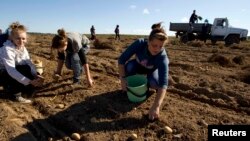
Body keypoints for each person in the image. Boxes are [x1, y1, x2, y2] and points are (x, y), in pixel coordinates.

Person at [118, 22, 169, 120]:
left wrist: (156, 106)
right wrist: (123, 80)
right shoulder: (140, 43)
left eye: (161, 46)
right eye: (154, 45)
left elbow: (164, 84)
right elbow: (121, 60)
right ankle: (131, 84)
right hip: (137, 66)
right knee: (128, 67)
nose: (157, 49)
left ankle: (146, 85)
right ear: (148, 41)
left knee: (155, 83)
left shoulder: (162, 57)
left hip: (151, 70)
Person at [0, 22, 44, 103]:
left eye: (23, 38)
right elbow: (11, 70)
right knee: (22, 69)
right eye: (18, 38)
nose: (21, 41)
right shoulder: (7, 49)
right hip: (3, 73)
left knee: (26, 68)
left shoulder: (22, 48)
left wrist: (36, 75)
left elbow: (29, 63)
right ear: (12, 38)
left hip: (11, 71)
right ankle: (15, 95)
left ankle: (14, 87)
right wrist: (29, 81)